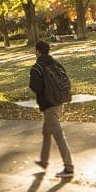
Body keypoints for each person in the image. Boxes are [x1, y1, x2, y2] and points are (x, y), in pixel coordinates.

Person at [29, 40, 75, 179]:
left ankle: (68, 168)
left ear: (38, 51)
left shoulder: (37, 67)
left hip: (48, 105)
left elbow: (34, 87)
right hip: (60, 102)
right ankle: (44, 161)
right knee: (46, 131)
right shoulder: (56, 63)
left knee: (58, 135)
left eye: (35, 50)